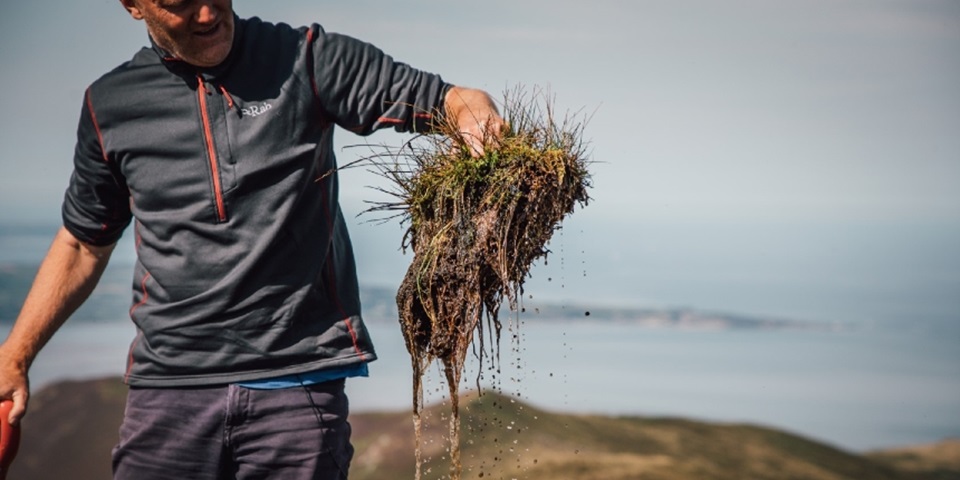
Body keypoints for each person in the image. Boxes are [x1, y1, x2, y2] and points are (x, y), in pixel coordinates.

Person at [0, 0, 504, 478]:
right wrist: (15, 356)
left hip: (297, 387)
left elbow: (450, 99)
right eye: (178, 4)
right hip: (168, 389)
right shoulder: (111, 104)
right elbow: (83, 243)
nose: (206, 13)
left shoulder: (306, 59)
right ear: (132, 6)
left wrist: (473, 118)